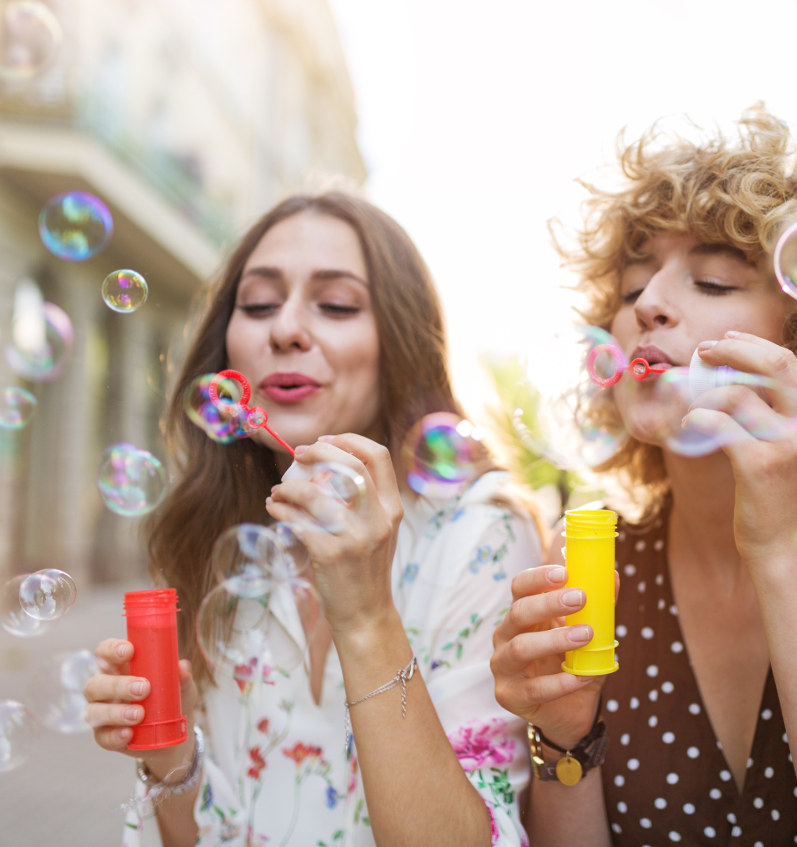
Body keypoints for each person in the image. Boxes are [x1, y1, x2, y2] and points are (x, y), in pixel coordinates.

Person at [491, 107, 797, 845]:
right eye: (631, 291)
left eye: (715, 282)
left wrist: (784, 549)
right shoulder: (595, 565)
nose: (650, 306)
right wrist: (562, 740)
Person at [83, 191, 540, 846]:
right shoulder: (222, 543)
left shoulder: (480, 535)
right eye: (260, 303)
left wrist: (366, 616)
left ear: (398, 338)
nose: (286, 329)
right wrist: (171, 753)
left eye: (336, 304)